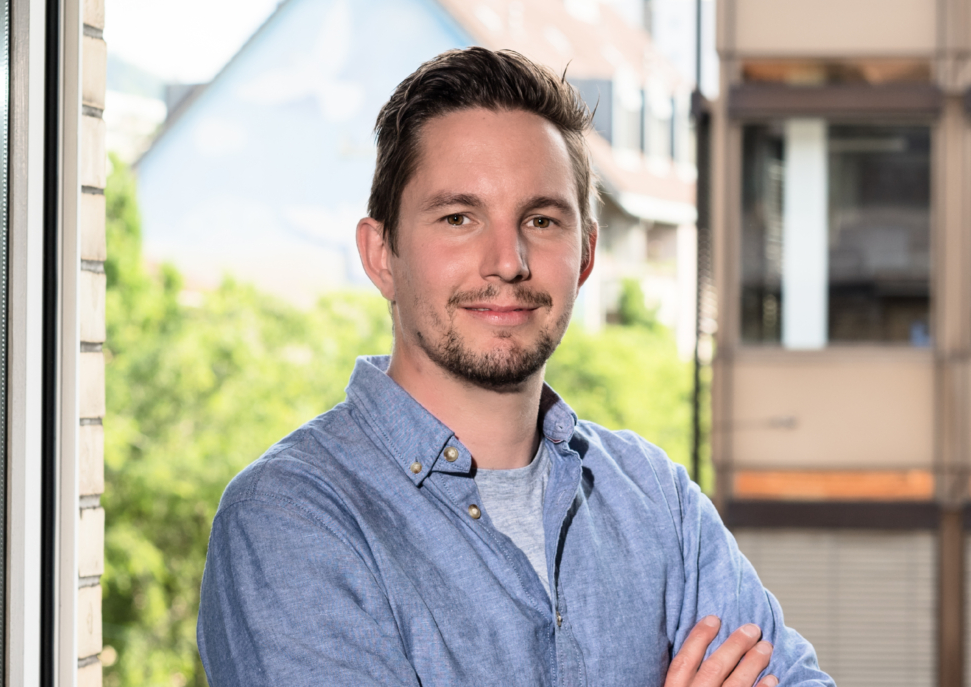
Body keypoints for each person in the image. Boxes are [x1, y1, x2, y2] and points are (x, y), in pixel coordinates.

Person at [197, 47, 833, 687]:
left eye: (541, 219)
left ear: (585, 256)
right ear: (381, 255)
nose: (508, 261)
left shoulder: (654, 498)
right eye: (458, 218)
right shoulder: (291, 518)